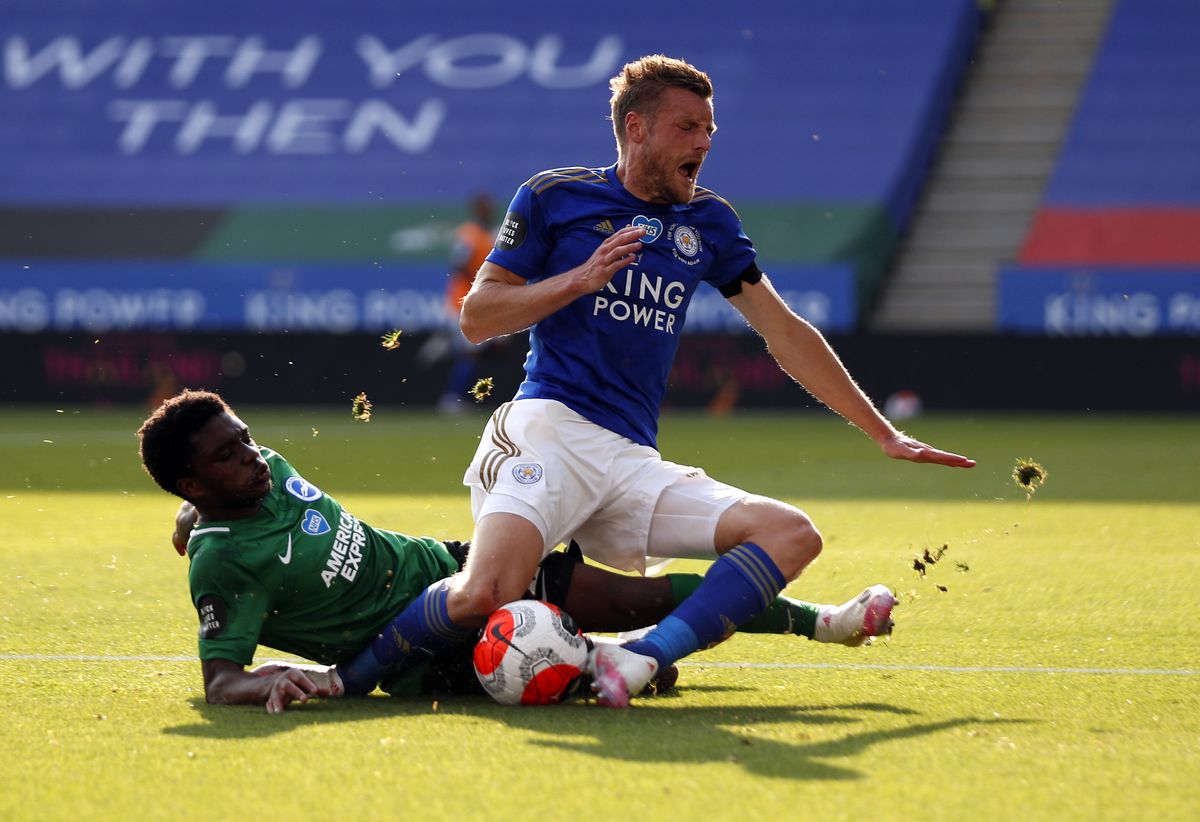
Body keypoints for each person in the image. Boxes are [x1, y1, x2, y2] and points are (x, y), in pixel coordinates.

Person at [340, 54, 975, 708]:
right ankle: (342, 680)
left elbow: (785, 332)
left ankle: (638, 658)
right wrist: (578, 280)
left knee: (792, 535)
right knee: (485, 594)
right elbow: (477, 317)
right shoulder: (556, 196)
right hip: (548, 431)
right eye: (688, 127)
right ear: (636, 128)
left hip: (630, 457)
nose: (704, 142)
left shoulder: (708, 223)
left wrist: (883, 432)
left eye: (710, 130)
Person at [139, 389, 884, 713]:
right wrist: (269, 680)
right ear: (191, 477)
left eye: (244, 437)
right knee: (590, 673)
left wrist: (189, 512)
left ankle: (825, 622)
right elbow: (219, 679)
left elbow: (212, 507)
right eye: (229, 455)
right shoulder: (224, 563)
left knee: (636, 596)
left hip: (449, 565)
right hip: (425, 653)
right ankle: (601, 663)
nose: (253, 456)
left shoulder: (254, 471)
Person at [437, 193, 496, 413]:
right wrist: (481, 277)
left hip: (478, 301)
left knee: (477, 351)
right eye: (482, 207)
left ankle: (459, 396)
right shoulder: (470, 234)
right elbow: (458, 263)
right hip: (461, 302)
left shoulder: (487, 234)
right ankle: (453, 399)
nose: (487, 211)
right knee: (471, 352)